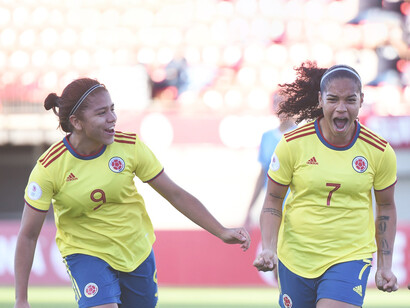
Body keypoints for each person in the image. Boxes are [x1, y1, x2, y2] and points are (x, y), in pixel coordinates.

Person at [14, 78, 251, 308]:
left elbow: (176, 195)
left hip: (135, 252)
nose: (112, 118)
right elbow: (28, 235)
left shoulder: (130, 146)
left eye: (112, 109)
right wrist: (21, 300)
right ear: (76, 122)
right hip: (86, 254)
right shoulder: (49, 168)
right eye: (101, 113)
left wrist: (221, 231)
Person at [253, 62, 398, 308]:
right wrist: (268, 247)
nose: (341, 109)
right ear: (320, 100)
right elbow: (273, 200)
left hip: (349, 257)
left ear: (361, 100)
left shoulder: (379, 151)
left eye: (350, 100)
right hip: (296, 258)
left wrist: (384, 265)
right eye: (333, 99)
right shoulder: (293, 144)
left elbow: (386, 207)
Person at [244, 92, 296, 231]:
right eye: (276, 103)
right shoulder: (266, 137)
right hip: (272, 208)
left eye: (283, 102)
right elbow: (262, 175)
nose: (280, 107)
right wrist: (250, 209)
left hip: (295, 210)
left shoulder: (300, 136)